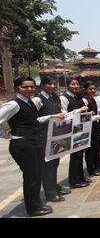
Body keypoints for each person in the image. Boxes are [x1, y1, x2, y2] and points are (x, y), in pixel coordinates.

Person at [0, 77, 65, 216]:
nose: (29, 89)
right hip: (23, 144)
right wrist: (8, 136)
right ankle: (33, 208)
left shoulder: (28, 102)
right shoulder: (14, 104)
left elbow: (35, 120)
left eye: (32, 87)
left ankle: (36, 204)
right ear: (18, 88)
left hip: (33, 142)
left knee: (36, 174)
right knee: (31, 176)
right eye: (25, 87)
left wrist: (52, 116)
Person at [32, 76, 71, 203]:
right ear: (43, 85)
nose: (53, 86)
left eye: (54, 84)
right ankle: (50, 192)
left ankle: (54, 185)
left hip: (56, 135)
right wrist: (51, 116)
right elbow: (34, 120)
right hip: (43, 136)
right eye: (49, 84)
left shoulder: (55, 97)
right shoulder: (38, 100)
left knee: (55, 162)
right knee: (47, 165)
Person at [60, 78, 91, 188]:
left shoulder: (78, 97)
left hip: (80, 128)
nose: (76, 86)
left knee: (80, 154)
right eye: (73, 84)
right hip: (72, 131)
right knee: (75, 156)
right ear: (68, 85)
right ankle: (74, 180)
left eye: (77, 84)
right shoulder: (64, 98)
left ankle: (80, 176)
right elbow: (64, 115)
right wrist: (79, 110)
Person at [82, 81, 100, 176]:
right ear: (85, 89)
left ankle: (97, 166)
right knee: (90, 149)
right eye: (90, 89)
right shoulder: (84, 100)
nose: (92, 91)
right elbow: (86, 117)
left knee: (96, 147)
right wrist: (99, 117)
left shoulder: (92, 99)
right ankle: (91, 169)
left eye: (93, 89)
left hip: (95, 126)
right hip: (89, 127)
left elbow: (95, 112)